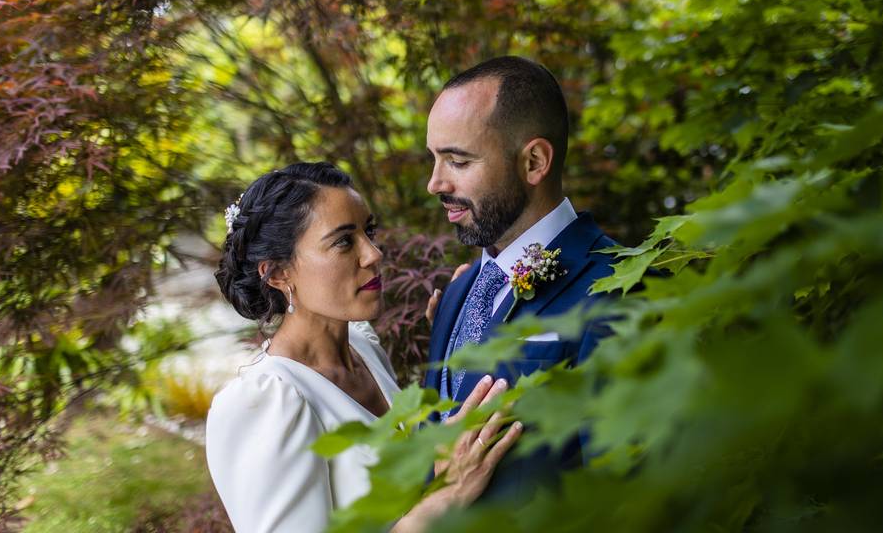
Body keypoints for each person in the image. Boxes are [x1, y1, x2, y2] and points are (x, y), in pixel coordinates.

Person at [206, 162, 522, 533]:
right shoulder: (264, 402)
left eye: (368, 232)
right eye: (343, 241)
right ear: (278, 273)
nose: (373, 254)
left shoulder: (363, 345)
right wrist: (447, 495)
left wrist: (456, 335)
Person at [424, 56, 626, 499]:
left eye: (457, 161)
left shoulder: (618, 289)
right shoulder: (459, 291)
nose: (435, 183)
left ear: (534, 161)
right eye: (434, 159)